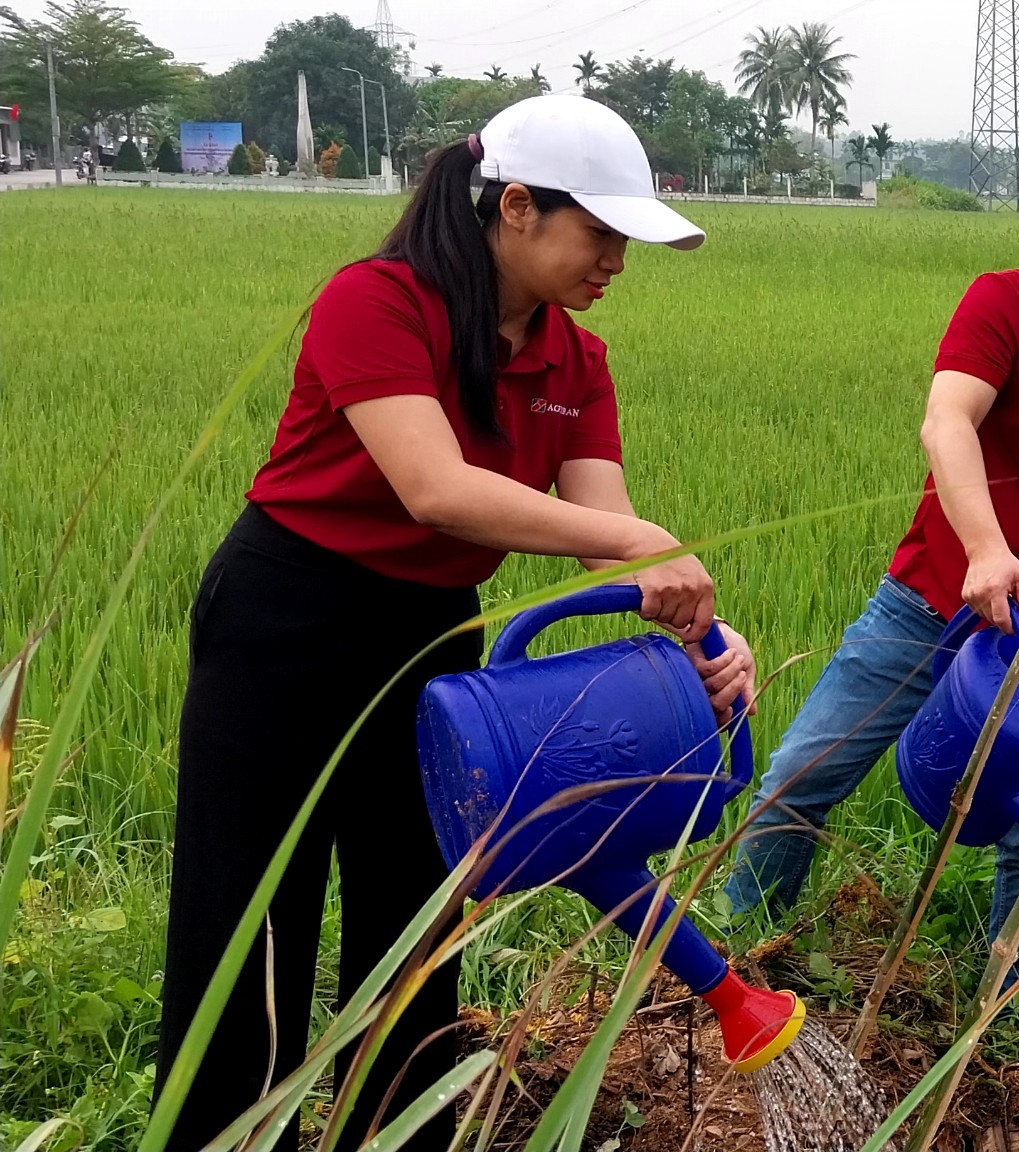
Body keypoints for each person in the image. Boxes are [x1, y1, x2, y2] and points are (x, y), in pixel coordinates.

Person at [155, 94, 754, 1149]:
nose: (614, 260)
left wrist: (692, 629)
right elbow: (435, 487)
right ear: (515, 207)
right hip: (287, 622)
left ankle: (400, 1133)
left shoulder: (577, 362)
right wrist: (635, 545)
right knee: (251, 920)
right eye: (599, 233)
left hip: (433, 636)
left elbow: (603, 528)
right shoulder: (376, 302)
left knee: (422, 913)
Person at [722, 188, 1019, 999]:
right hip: (932, 605)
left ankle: (1015, 1012)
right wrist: (986, 549)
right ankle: (740, 955)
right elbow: (947, 421)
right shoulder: (1009, 303)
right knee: (803, 773)